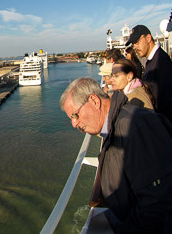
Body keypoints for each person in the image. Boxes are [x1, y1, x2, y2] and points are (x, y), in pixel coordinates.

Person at [60, 77, 172, 233]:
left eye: (75, 115)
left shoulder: (135, 127)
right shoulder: (116, 127)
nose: (74, 124)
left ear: (94, 101)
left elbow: (157, 203)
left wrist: (123, 228)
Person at [126, 25, 172, 123]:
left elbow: (166, 100)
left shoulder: (161, 61)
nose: (135, 47)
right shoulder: (152, 60)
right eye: (133, 44)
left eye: (137, 42)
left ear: (148, 38)